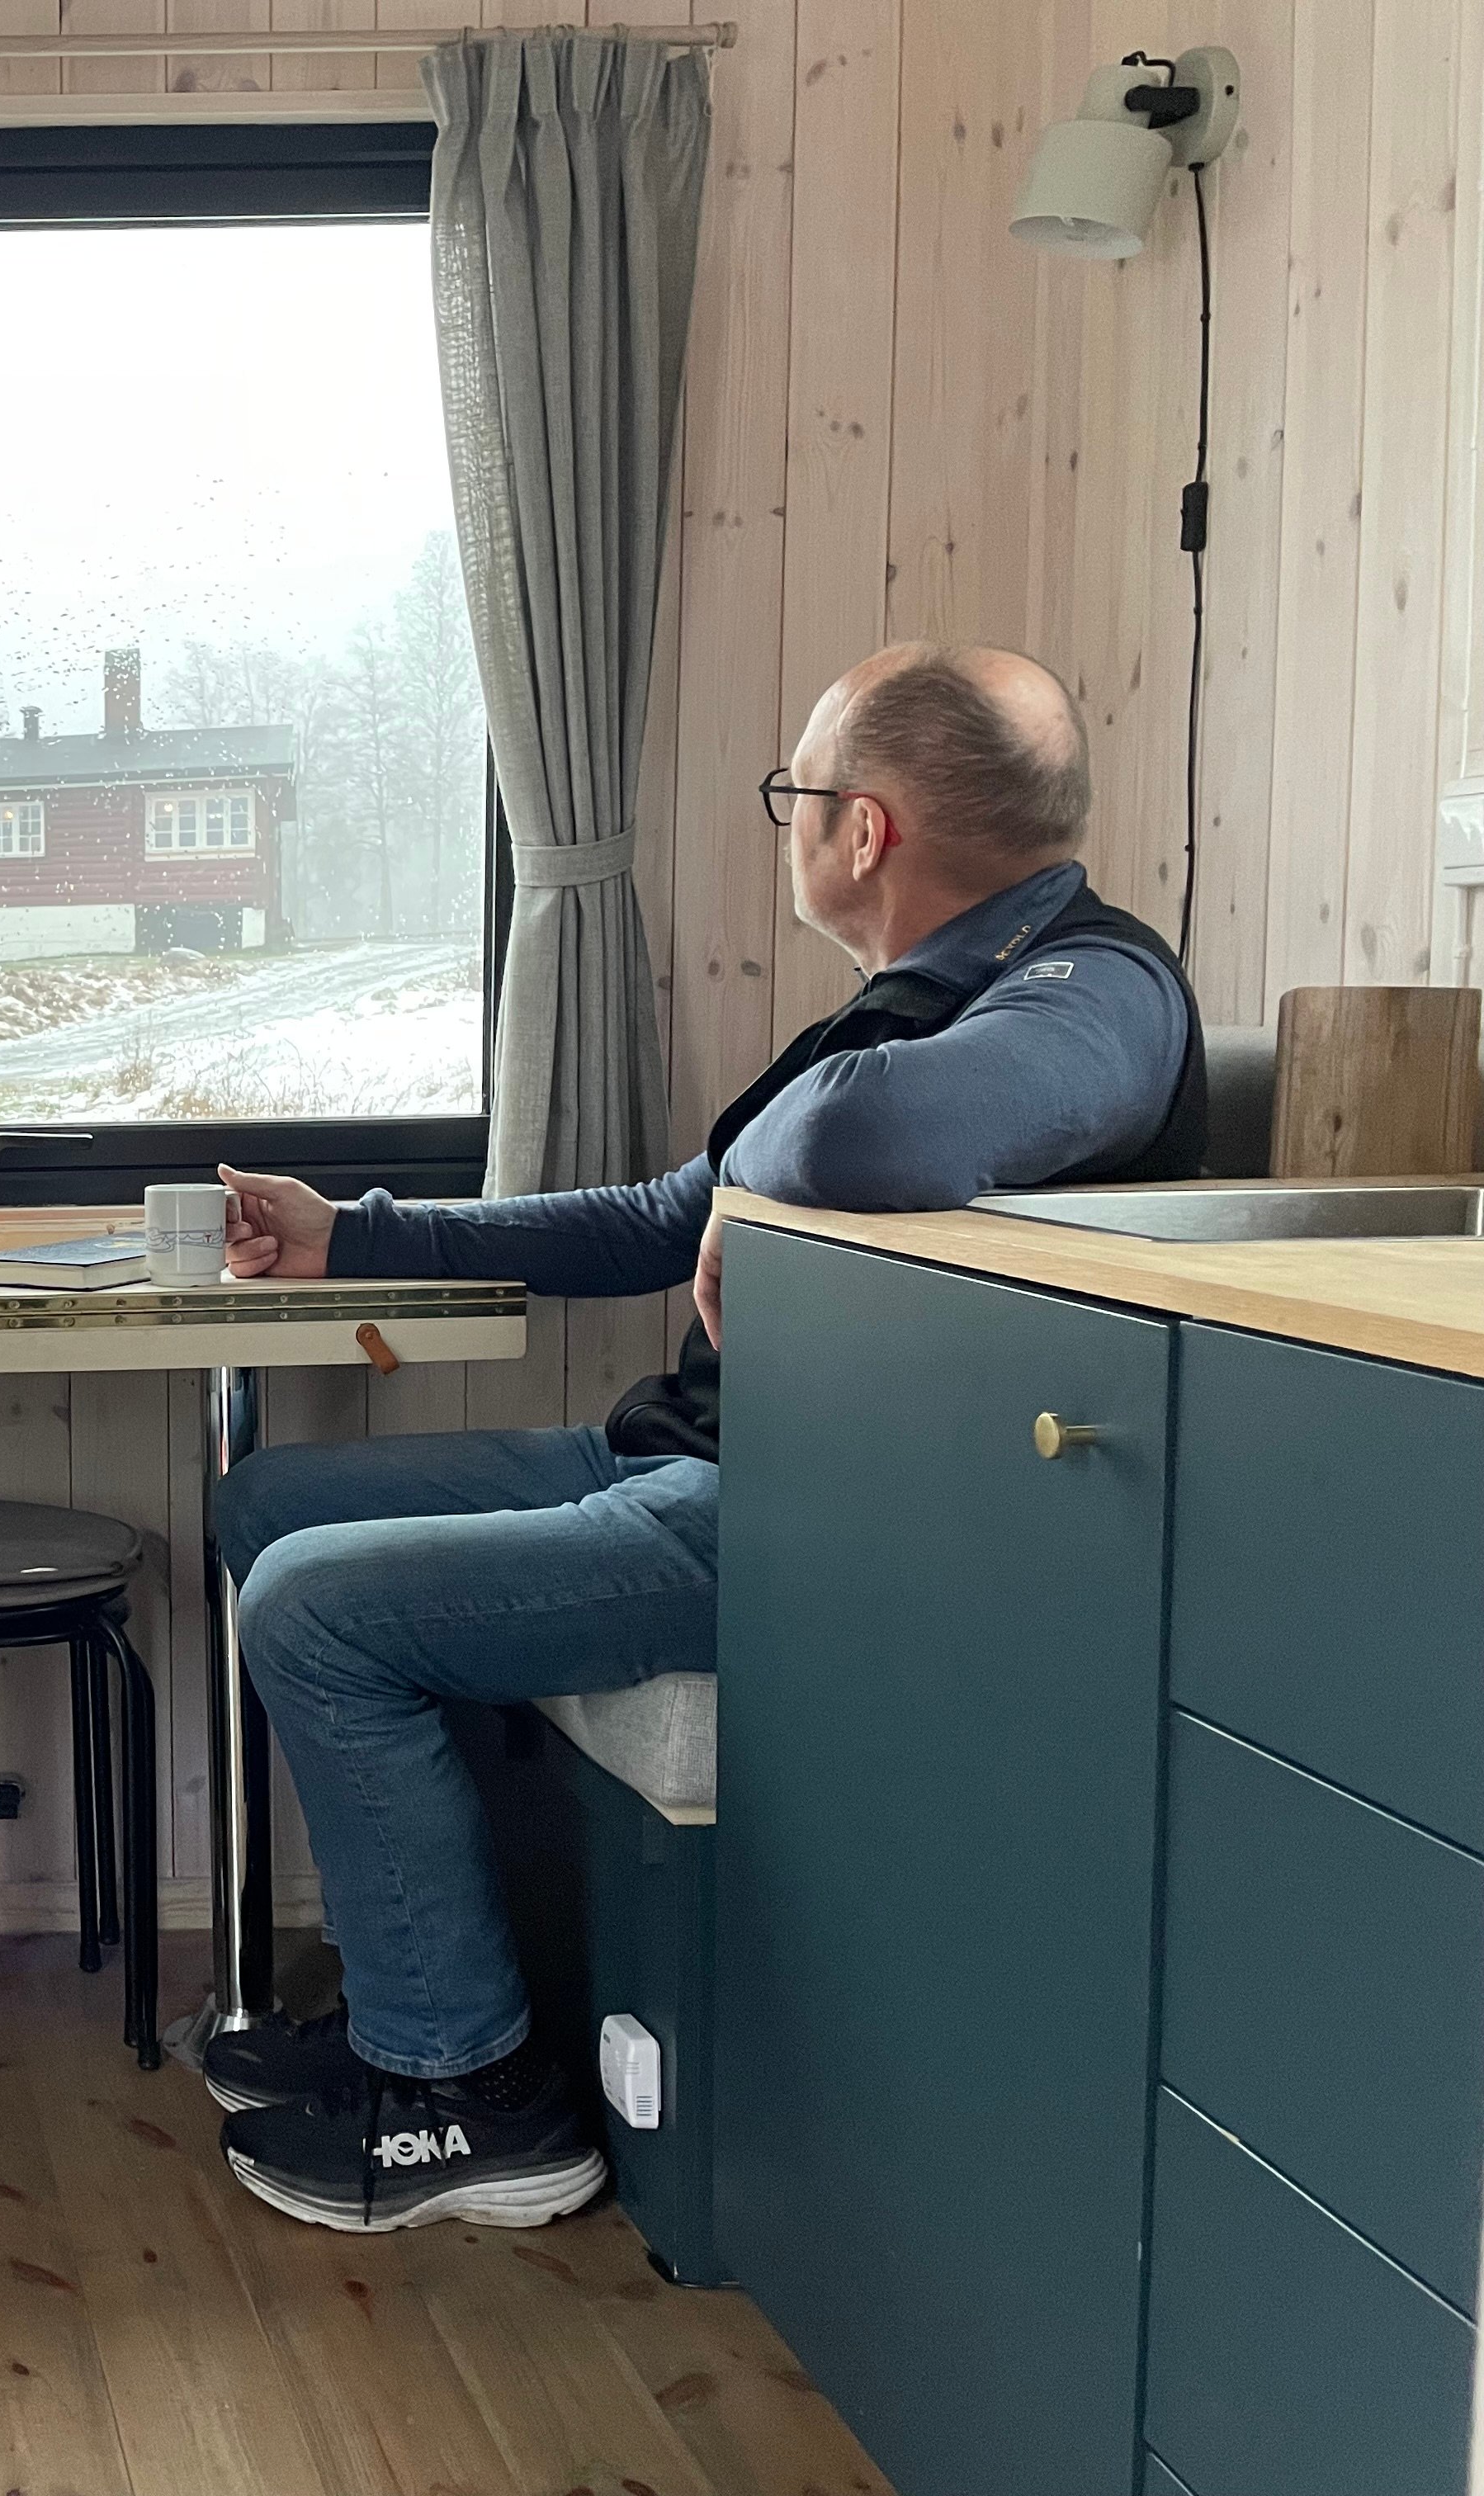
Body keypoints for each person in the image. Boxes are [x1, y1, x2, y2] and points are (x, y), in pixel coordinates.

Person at [198, 641, 1204, 2234]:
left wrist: (765, 1170)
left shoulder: (1099, 990)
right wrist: (356, 1236)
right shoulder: (910, 1001)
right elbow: (664, 1214)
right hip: (678, 1456)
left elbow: (876, 1128)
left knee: (310, 1609)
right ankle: (434, 1992)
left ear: (861, 829)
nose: (788, 823)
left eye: (794, 794)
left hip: (807, 1511)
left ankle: (471, 2101)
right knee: (270, 1505)